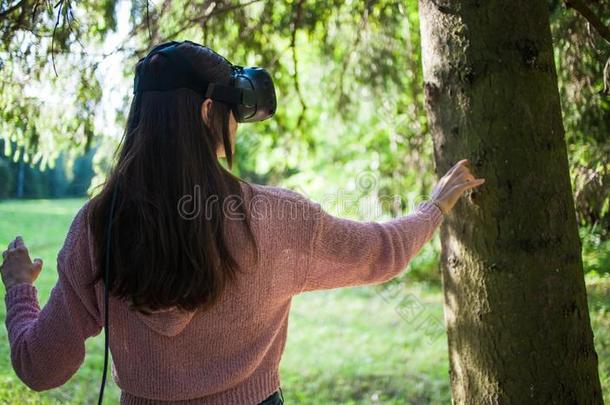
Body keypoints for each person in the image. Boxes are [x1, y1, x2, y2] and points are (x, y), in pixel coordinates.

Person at [0, 41, 485, 404]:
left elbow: (41, 368)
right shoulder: (278, 217)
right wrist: (434, 206)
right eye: (233, 113)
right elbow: (382, 253)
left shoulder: (98, 226)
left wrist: (20, 287)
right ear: (209, 112)